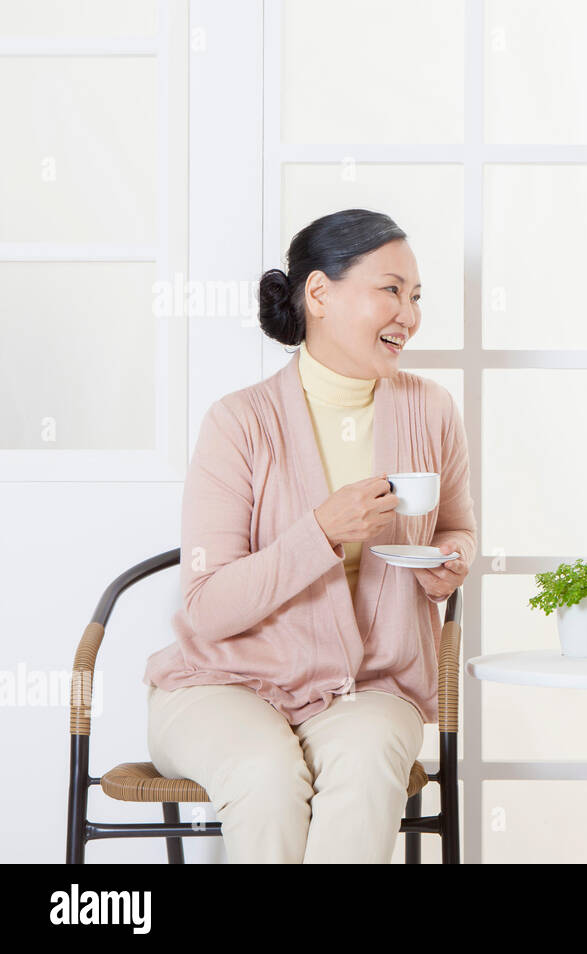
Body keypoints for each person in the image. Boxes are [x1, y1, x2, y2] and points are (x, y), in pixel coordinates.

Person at [143, 208, 475, 863]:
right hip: (222, 682)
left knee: (365, 763)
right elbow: (207, 604)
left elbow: (459, 526)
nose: (407, 314)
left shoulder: (431, 409)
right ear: (319, 294)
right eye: (389, 290)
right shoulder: (239, 422)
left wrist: (452, 559)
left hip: (371, 685)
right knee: (266, 775)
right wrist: (319, 534)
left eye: (415, 297)